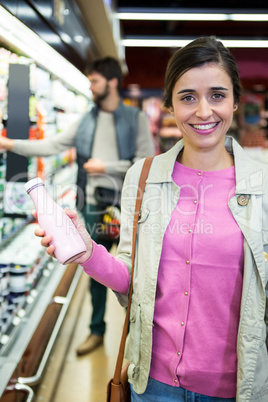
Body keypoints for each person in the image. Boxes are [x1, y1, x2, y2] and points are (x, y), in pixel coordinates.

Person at [35, 36, 268, 401]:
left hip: (237, 388)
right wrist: (88, 253)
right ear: (171, 106)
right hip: (155, 385)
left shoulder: (262, 185)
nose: (204, 111)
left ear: (235, 102)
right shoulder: (143, 177)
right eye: (188, 97)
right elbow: (131, 278)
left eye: (218, 95)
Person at [0, 56, 155, 356]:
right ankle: (96, 331)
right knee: (97, 270)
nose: (90, 86)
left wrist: (106, 166)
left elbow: (147, 162)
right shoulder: (87, 119)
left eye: (94, 80)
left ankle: (140, 334)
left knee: (137, 270)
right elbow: (53, 145)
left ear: (111, 82)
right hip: (95, 207)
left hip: (130, 207)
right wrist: (9, 144)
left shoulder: (134, 120)